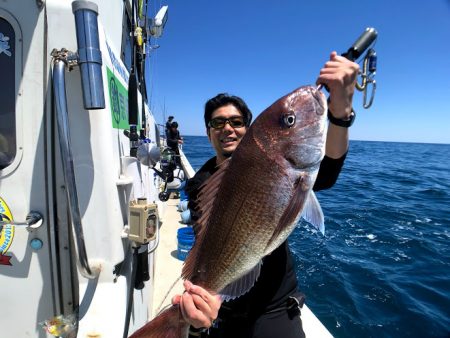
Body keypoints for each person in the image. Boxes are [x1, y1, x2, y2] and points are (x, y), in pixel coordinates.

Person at [173, 51, 360, 338]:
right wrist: (202, 309)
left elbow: (329, 168)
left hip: (274, 308)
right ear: (208, 132)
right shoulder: (200, 184)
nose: (227, 128)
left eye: (236, 121)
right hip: (223, 313)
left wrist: (341, 113)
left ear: (248, 129)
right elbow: (208, 244)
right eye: (217, 123)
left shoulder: (281, 166)